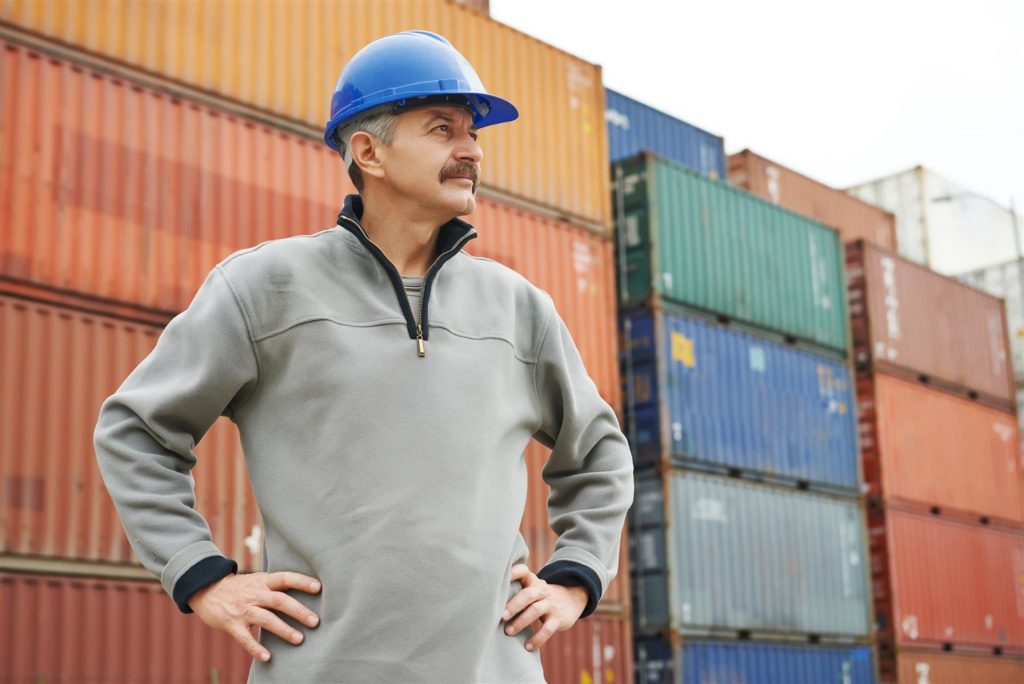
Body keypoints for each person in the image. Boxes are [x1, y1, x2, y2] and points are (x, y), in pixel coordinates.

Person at [94, 30, 633, 683]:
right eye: (443, 129)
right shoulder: (265, 288)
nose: (471, 151)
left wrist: (573, 582)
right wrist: (203, 577)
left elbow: (600, 455)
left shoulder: (518, 308)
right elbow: (136, 432)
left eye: (474, 134)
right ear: (369, 153)